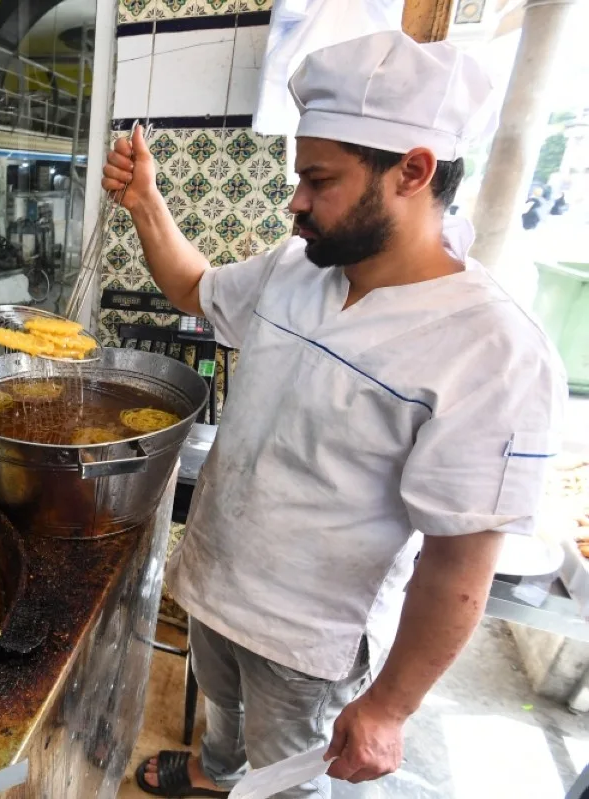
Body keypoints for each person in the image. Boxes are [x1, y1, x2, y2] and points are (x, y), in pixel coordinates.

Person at [102, 32, 567, 798]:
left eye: (320, 180)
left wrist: (388, 707)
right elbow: (194, 288)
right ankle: (213, 770)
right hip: (218, 580)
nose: (296, 202)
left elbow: (458, 565)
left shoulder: (489, 349)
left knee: (290, 774)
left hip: (306, 644)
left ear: (413, 171)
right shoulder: (298, 271)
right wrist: (146, 200)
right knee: (220, 708)